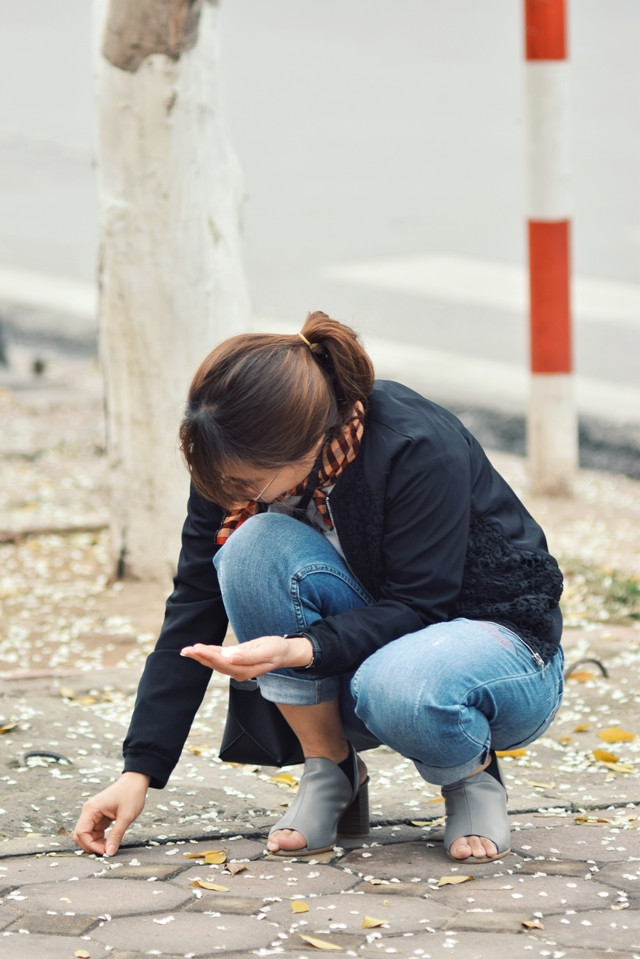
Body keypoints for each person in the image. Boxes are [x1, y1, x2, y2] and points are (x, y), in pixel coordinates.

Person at [73, 312, 564, 863]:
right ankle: (330, 768)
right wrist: (139, 770)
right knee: (251, 545)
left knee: (396, 683)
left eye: (246, 481)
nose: (231, 493)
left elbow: (422, 604)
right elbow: (193, 607)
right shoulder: (229, 458)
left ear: (309, 442)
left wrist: (300, 648)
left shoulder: (415, 444)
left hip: (501, 652)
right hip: (373, 648)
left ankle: (472, 779)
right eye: (222, 480)